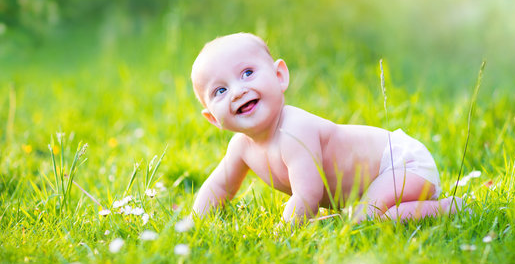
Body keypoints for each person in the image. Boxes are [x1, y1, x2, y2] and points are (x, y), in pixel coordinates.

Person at [190, 32, 463, 223]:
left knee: (365, 218)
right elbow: (219, 187)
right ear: (213, 118)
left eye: (247, 73)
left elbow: (308, 195)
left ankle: (447, 209)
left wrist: (285, 231)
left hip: (401, 165)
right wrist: (194, 222)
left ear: (279, 76)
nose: (238, 91)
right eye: (221, 90)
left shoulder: (294, 130)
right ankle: (409, 209)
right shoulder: (240, 147)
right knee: (363, 217)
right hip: (384, 177)